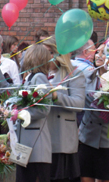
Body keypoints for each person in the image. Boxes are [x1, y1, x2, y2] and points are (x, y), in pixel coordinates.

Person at [43, 37, 86, 182]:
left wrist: (56, 96)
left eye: (49, 52)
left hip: (61, 137)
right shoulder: (37, 75)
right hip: (41, 136)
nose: (45, 56)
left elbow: (79, 104)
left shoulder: (74, 74)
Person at [78, 44, 109, 182]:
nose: (98, 55)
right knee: (85, 178)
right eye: (97, 52)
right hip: (87, 135)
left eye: (103, 53)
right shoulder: (87, 76)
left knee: (108, 179)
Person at [15, 44, 52, 182]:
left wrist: (20, 113)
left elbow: (44, 108)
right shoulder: (30, 77)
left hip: (36, 142)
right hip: (25, 140)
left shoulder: (40, 77)